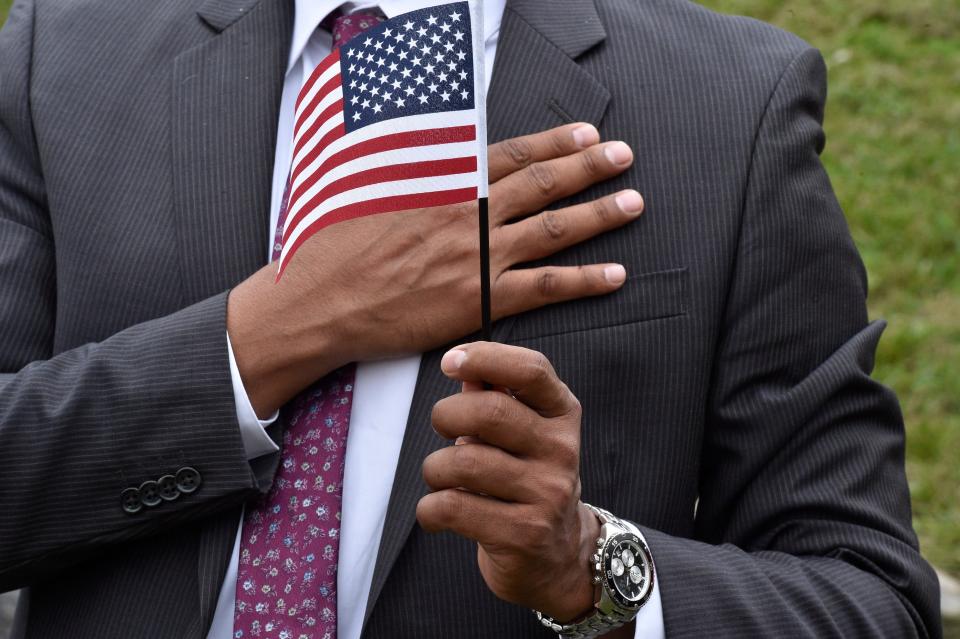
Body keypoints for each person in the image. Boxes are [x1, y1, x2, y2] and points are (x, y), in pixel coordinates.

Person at [0, 0, 941, 637]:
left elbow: (869, 595)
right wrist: (288, 325)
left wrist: (591, 572)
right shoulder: (65, 58)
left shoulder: (729, 107)